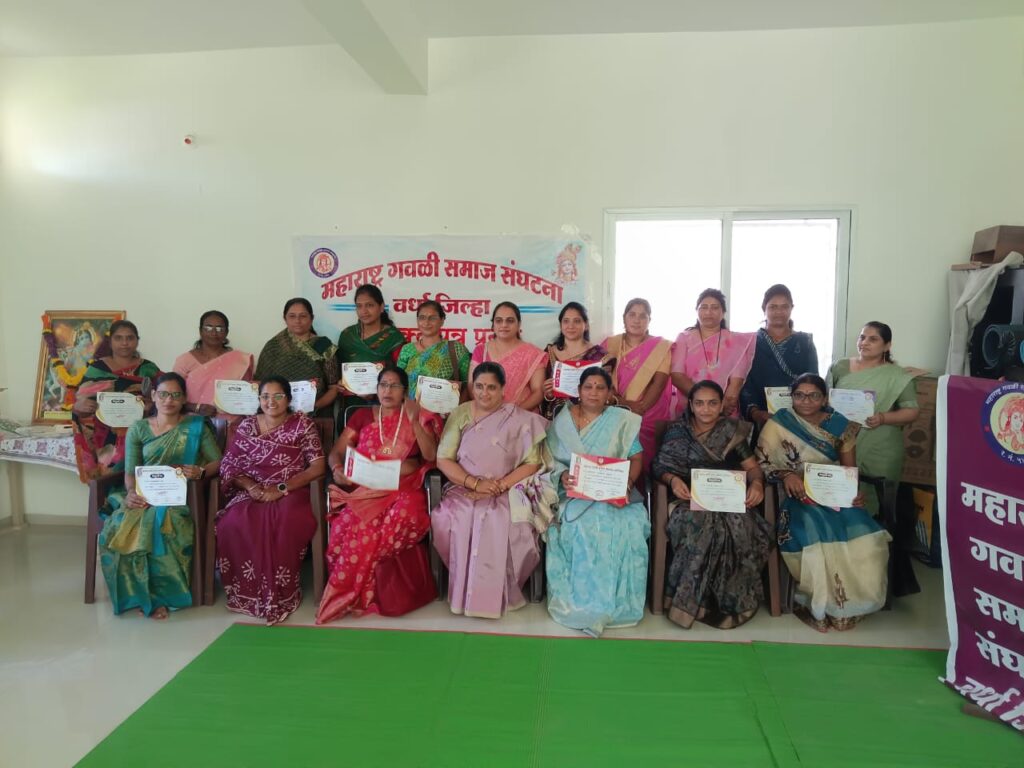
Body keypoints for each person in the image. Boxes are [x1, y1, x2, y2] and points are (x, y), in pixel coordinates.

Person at [756, 374, 891, 631]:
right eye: (799, 395)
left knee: (866, 535)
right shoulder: (778, 423)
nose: (806, 401)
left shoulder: (841, 425)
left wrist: (854, 491)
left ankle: (855, 603)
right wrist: (786, 475)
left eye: (813, 395)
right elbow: (762, 462)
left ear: (824, 398)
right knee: (813, 530)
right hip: (798, 497)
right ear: (792, 397)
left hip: (835, 495)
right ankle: (824, 602)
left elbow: (849, 469)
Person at [316, 367, 442, 624]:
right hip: (365, 489)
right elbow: (336, 452)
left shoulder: (419, 415)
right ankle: (362, 589)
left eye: (395, 385)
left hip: (404, 488)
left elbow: (430, 455)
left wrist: (414, 421)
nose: (388, 390)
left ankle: (364, 588)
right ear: (376, 388)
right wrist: (337, 468)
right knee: (347, 528)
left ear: (405, 391)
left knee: (402, 515)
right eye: (383, 384)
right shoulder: (362, 416)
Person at [432, 362, 555, 618]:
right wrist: (475, 483)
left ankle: (496, 594)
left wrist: (499, 486)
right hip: (462, 487)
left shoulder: (520, 419)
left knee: (501, 518)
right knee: (462, 515)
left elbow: (532, 463)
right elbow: (443, 459)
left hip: (507, 488)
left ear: (502, 389)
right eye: (479, 386)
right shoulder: (461, 413)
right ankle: (464, 594)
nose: (484, 393)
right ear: (472, 387)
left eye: (491, 387)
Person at [97, 372, 221, 618]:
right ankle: (138, 594)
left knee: (165, 523)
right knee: (121, 525)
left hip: (180, 497)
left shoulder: (196, 427)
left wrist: (200, 471)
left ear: (184, 398)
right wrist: (131, 493)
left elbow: (218, 461)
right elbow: (130, 471)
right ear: (153, 396)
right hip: (144, 494)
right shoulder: (139, 428)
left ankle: (162, 596)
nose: (169, 400)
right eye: (163, 394)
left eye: (175, 395)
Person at [653, 380, 770, 629]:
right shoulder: (678, 432)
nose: (705, 409)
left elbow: (753, 468)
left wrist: (758, 484)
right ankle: (695, 602)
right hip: (687, 499)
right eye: (699, 403)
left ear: (721, 405)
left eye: (712, 403)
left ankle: (730, 602)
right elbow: (660, 466)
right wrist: (673, 480)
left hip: (728, 498)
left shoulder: (732, 432)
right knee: (701, 523)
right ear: (691, 405)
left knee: (742, 525)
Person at [544, 368, 649, 637]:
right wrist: (563, 475)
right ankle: (582, 603)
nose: (593, 392)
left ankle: (613, 604)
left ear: (609, 393)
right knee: (580, 526)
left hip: (614, 493)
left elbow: (636, 458)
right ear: (579, 391)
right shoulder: (562, 422)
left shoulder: (621, 421)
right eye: (588, 387)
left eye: (600, 387)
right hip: (574, 494)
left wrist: (627, 482)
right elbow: (548, 460)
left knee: (627, 526)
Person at [215, 377, 326, 625]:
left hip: (291, 490)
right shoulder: (247, 426)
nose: (271, 401)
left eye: (278, 396)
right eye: (265, 396)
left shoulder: (302, 425)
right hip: (251, 490)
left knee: (285, 521)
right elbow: (229, 465)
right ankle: (246, 593)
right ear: (259, 399)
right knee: (232, 522)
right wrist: (250, 486)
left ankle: (282, 594)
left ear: (288, 399)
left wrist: (281, 488)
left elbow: (318, 466)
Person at [827, 322, 920, 490]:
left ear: (887, 346)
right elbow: (825, 399)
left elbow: (912, 411)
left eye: (873, 339)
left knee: (877, 496)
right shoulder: (840, 367)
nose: (864, 342)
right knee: (841, 492)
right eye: (862, 337)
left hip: (880, 446)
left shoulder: (897, 375)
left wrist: (883, 418)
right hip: (841, 441)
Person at [72, 320, 161, 483]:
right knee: (108, 481)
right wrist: (79, 407)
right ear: (110, 341)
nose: (124, 343)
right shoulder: (97, 368)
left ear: (137, 341)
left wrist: (153, 405)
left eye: (130, 338)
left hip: (141, 435)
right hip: (105, 438)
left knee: (139, 482)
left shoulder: (148, 368)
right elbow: (80, 401)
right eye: (118, 338)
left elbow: (166, 396)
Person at [601, 298, 672, 473]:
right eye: (632, 314)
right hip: (613, 408)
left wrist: (640, 409)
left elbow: (659, 382)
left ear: (649, 320)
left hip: (647, 413)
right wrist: (623, 404)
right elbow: (602, 378)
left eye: (642, 316)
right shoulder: (610, 344)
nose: (637, 320)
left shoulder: (661, 347)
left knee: (644, 462)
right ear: (624, 318)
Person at [740, 285, 819, 432]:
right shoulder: (751, 342)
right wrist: (755, 413)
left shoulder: (805, 342)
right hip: (763, 418)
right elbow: (745, 384)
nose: (779, 312)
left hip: (801, 417)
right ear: (764, 309)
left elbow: (814, 381)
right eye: (773, 307)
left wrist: (806, 408)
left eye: (784, 307)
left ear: (791, 308)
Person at [671, 289, 755, 418]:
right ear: (697, 311)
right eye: (704, 307)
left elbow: (736, 382)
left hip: (725, 409)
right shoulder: (684, 338)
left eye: (715, 307)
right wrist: (705, 403)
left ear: (723, 312)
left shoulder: (736, 341)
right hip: (690, 409)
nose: (708, 312)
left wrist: (721, 406)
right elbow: (677, 376)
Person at [254, 298, 339, 419]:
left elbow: (334, 388)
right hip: (278, 415)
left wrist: (313, 407)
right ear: (285, 319)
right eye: (292, 316)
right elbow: (260, 384)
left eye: (303, 316)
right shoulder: (273, 347)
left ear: (311, 318)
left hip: (316, 414)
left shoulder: (323, 346)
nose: (297, 321)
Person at [336, 284, 408, 415]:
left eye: (369, 305)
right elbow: (338, 370)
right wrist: (341, 383)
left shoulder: (394, 337)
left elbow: (401, 374)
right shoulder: (347, 335)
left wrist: (377, 390)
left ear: (381, 307)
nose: (364, 311)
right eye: (359, 306)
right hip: (351, 404)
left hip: (384, 404)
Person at [172, 310, 254, 418]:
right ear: (200, 331)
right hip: (193, 423)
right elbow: (172, 397)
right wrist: (197, 407)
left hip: (232, 423)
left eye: (220, 329)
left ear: (226, 332)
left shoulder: (239, 360)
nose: (214, 333)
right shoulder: (184, 361)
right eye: (208, 328)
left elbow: (246, 397)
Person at [469, 302, 546, 412]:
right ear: (493, 325)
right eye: (499, 321)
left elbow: (538, 391)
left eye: (510, 321)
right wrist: (488, 410)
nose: (504, 325)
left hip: (522, 415)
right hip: (485, 415)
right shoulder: (481, 350)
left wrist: (512, 413)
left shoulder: (533, 354)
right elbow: (471, 385)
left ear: (519, 324)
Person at [540, 302, 607, 419]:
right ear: (561, 325)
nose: (571, 326)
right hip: (555, 418)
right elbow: (542, 393)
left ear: (586, 325)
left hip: (589, 417)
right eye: (566, 321)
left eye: (577, 321)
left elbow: (606, 392)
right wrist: (548, 394)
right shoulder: (549, 352)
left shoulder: (599, 355)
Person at [395, 299, 471, 400]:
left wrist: (459, 407)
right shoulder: (407, 349)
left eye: (433, 318)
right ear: (417, 321)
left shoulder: (456, 349)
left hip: (446, 409)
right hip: (411, 408)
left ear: (442, 320)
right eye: (422, 318)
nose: (426, 322)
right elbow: (398, 382)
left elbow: (468, 385)